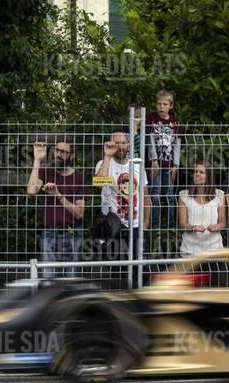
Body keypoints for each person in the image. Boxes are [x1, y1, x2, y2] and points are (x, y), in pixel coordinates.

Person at [94, 131, 151, 287]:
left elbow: (146, 197)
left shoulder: (137, 166)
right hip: (115, 228)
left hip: (137, 226)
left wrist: (145, 223)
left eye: (123, 143)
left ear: (129, 145)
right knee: (117, 271)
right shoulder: (103, 164)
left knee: (142, 270)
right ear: (110, 144)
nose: (120, 146)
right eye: (116, 143)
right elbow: (98, 184)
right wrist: (107, 156)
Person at [27, 141, 86, 278]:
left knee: (71, 281)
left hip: (73, 234)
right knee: (48, 280)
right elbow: (31, 190)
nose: (58, 154)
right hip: (48, 234)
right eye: (57, 150)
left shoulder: (78, 177)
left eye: (63, 152)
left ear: (72, 156)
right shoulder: (45, 171)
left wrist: (58, 195)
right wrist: (37, 160)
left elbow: (79, 214)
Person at [146, 90, 182, 228]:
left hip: (169, 164)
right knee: (155, 193)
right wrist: (154, 160)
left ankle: (171, 225)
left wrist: (176, 164)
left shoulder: (175, 122)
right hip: (156, 164)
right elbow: (149, 140)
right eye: (159, 104)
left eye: (165, 104)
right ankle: (155, 225)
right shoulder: (151, 119)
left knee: (169, 194)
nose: (161, 107)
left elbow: (177, 144)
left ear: (170, 106)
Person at [178, 161, 226, 256]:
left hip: (214, 250)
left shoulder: (219, 195)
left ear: (208, 176)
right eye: (196, 172)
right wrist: (194, 227)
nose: (197, 174)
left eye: (201, 172)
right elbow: (182, 223)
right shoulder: (184, 196)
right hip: (190, 250)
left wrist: (216, 227)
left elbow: (223, 222)